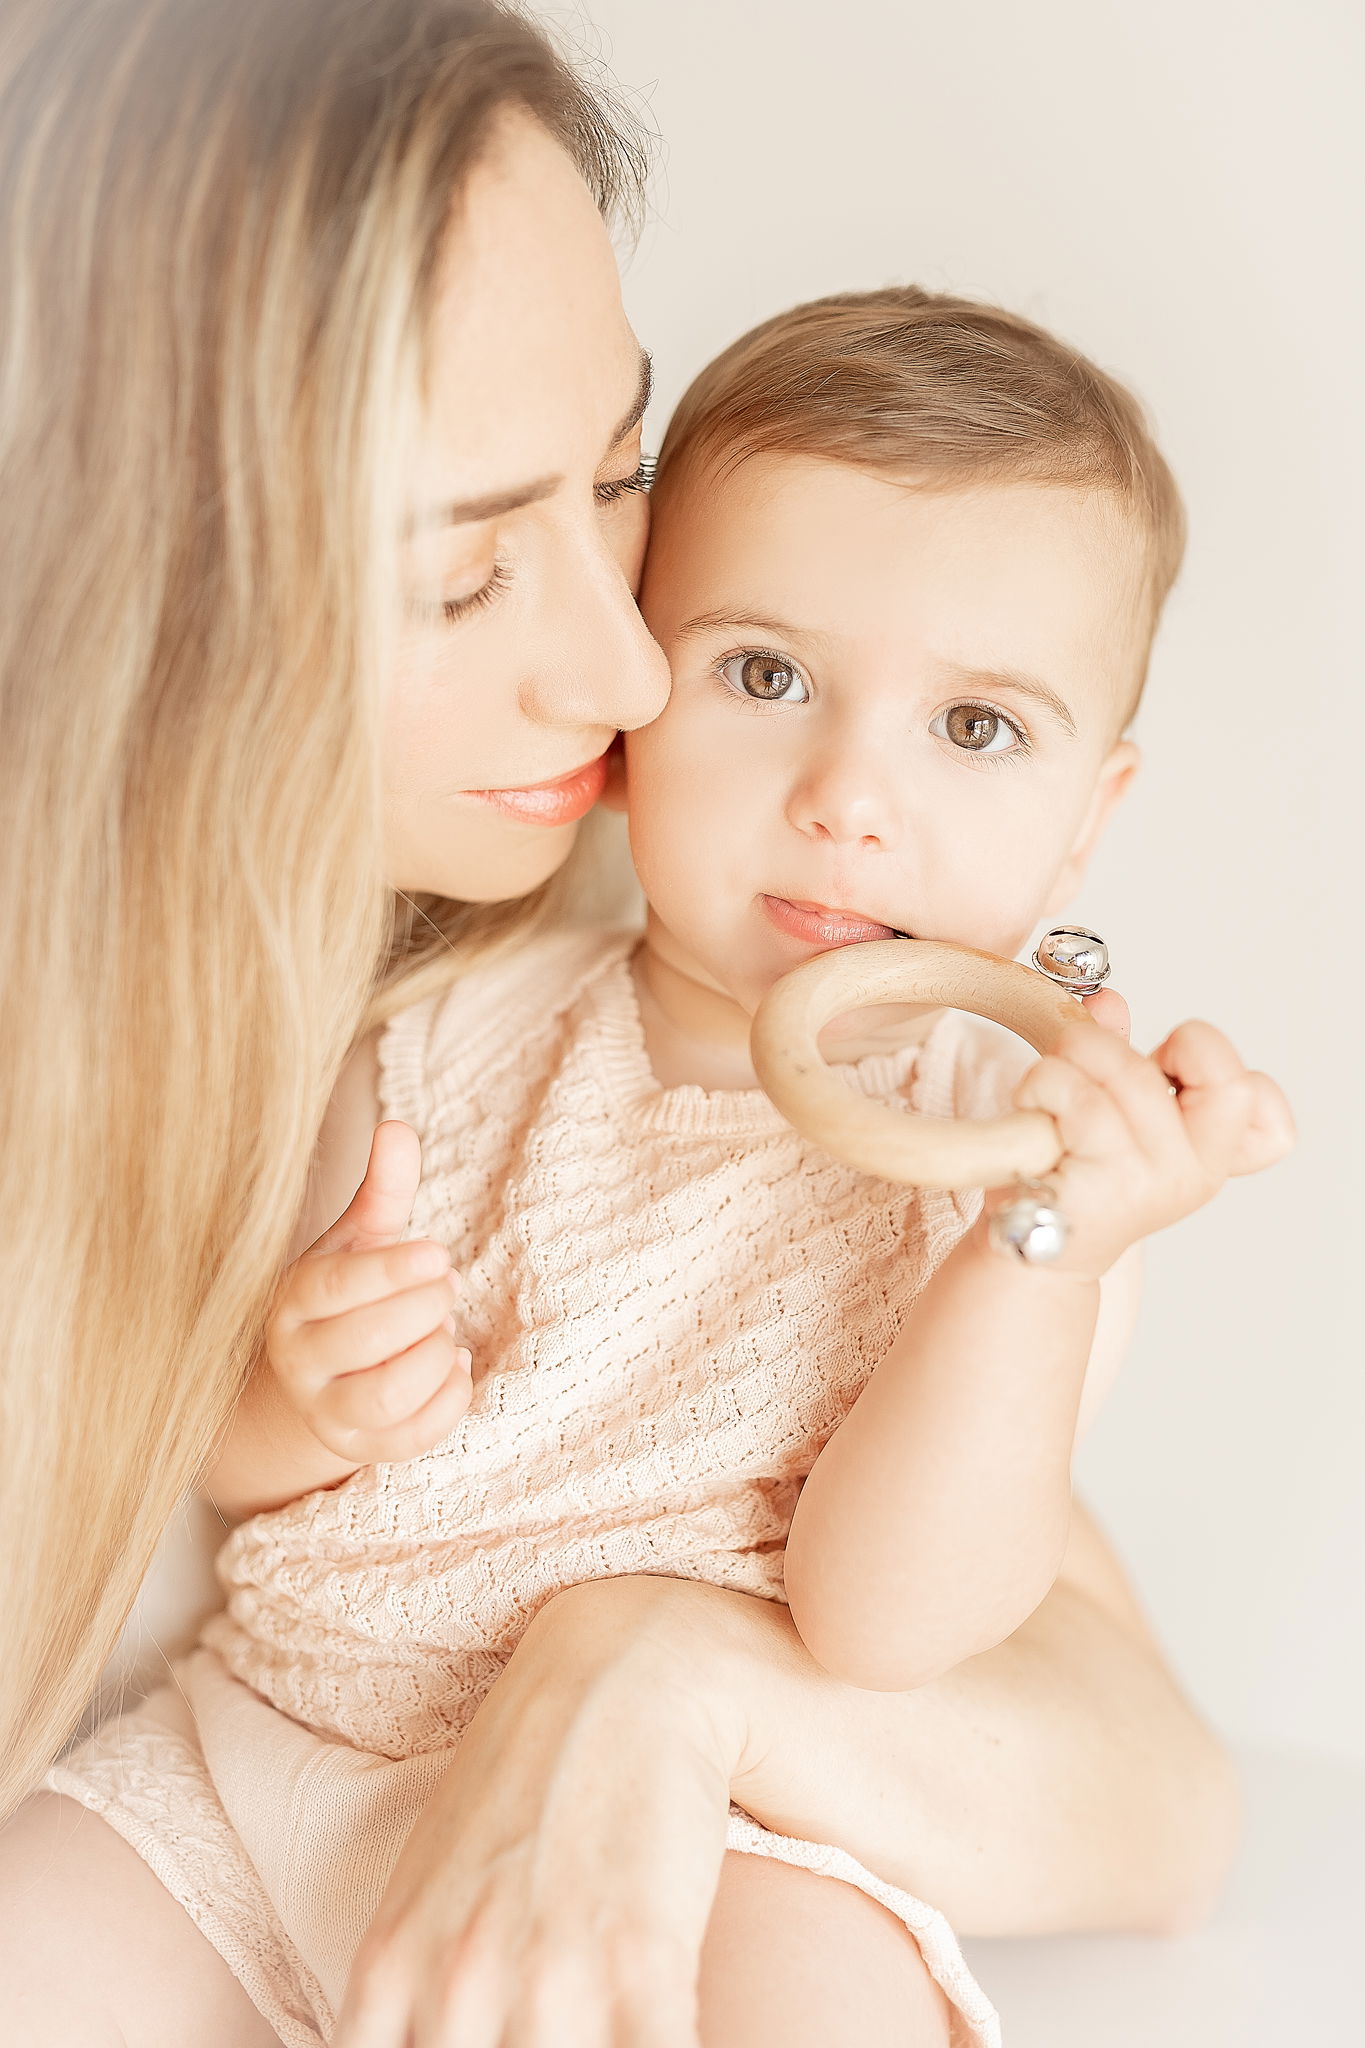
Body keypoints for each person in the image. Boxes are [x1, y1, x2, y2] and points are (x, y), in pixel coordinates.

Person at [0, 4, 1272, 2045]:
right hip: (269, 1752)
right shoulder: (448, 1020)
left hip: (708, 1845)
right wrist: (308, 1397)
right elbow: (236, 1452)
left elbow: (992, 1684)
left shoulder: (970, 1152)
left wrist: (1039, 1255)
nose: (622, 675)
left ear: (1085, 810)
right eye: (754, 670)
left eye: (610, 486)